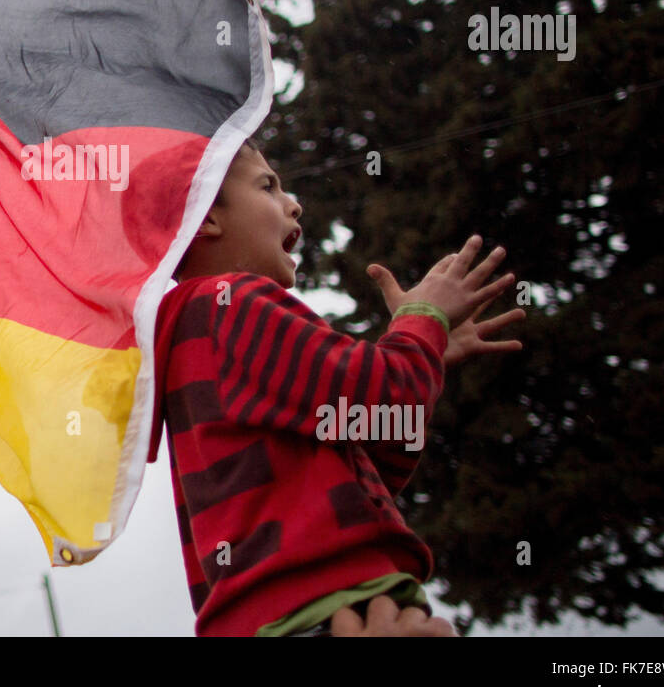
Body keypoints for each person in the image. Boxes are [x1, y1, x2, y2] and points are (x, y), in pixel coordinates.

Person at [148, 140, 524, 637]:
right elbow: (388, 400)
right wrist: (421, 321)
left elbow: (373, 463)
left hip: (291, 613)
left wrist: (425, 349)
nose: (294, 203)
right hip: (327, 606)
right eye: (267, 185)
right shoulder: (230, 303)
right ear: (206, 220)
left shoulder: (198, 333)